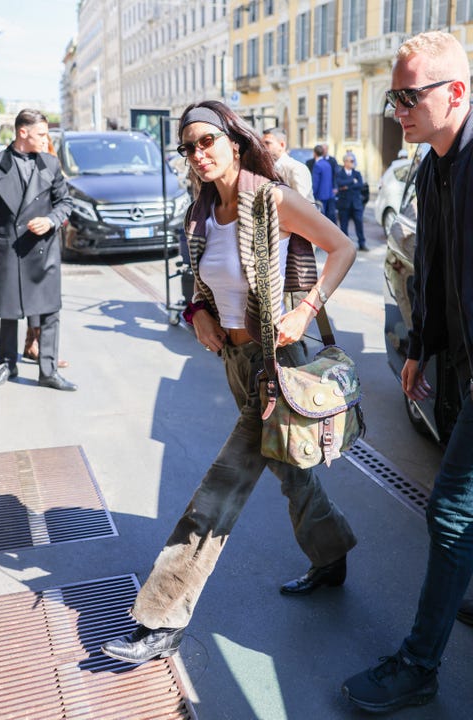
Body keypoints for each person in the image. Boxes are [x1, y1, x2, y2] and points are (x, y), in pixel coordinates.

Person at [101, 100, 357, 664]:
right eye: (188, 147)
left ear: (233, 143)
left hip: (278, 365)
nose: (197, 154)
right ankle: (332, 553)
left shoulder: (270, 199)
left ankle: (162, 615)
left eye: (206, 142)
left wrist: (309, 308)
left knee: (220, 490)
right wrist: (198, 316)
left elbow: (344, 246)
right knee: (292, 475)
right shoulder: (199, 213)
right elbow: (203, 285)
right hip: (237, 367)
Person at [342, 31, 473, 713]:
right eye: (393, 97)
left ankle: (419, 665)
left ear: (455, 92)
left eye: (408, 95)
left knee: (451, 509)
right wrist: (420, 348)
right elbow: (436, 274)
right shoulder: (430, 166)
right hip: (458, 366)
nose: (397, 109)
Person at [0, 109, 76, 391]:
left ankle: (48, 371)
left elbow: (65, 203)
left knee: (50, 311)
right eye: (41, 134)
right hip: (9, 250)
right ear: (22, 133)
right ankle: (7, 364)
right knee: (8, 312)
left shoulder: (50, 164)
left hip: (43, 249)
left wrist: (51, 220)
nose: (45, 139)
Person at [22, 134, 68, 369]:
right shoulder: (30, 161)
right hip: (32, 238)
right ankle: (36, 347)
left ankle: (33, 345)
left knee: (41, 298)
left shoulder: (49, 160)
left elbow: (61, 199)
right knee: (37, 298)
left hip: (46, 237)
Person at [261, 126, 315, 200]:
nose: (263, 147)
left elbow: (301, 204)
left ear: (282, 145)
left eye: (267, 143)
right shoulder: (267, 167)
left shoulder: (297, 169)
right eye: (262, 143)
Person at [336, 154, 368, 251]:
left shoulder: (357, 173)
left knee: (359, 224)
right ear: (345, 162)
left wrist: (346, 187)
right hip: (344, 204)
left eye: (353, 160)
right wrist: (352, 181)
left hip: (356, 204)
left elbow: (360, 185)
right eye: (351, 161)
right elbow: (339, 183)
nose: (353, 163)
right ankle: (345, 246)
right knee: (343, 225)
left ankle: (362, 244)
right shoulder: (339, 173)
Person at [312, 144, 337, 223]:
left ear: (314, 153)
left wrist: (313, 194)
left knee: (320, 219)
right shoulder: (327, 164)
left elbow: (315, 182)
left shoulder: (317, 165)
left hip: (319, 196)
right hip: (328, 195)